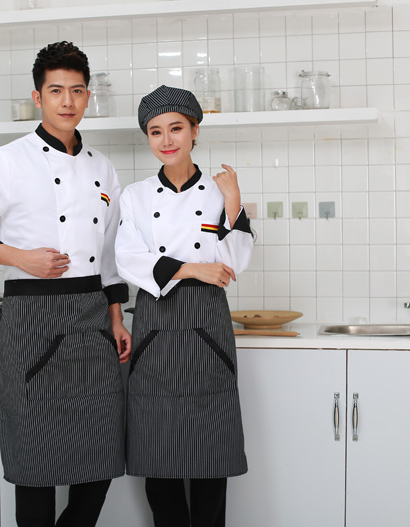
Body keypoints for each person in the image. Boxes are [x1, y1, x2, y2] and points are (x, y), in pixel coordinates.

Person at [0, 41, 131, 527]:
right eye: (56, 91)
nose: (67, 101)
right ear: (37, 97)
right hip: (33, 321)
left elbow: (110, 254)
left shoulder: (103, 167)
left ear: (88, 97)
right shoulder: (9, 159)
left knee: (102, 450)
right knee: (35, 459)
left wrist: (116, 319)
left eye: (77, 91)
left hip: (92, 318)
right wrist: (21, 258)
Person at [115, 85, 253, 527]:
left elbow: (234, 263)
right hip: (155, 329)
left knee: (211, 459)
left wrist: (232, 202)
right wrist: (193, 268)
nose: (166, 140)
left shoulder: (218, 192)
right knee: (159, 462)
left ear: (195, 130)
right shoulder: (135, 196)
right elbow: (128, 259)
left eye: (176, 128)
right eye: (155, 131)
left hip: (207, 328)